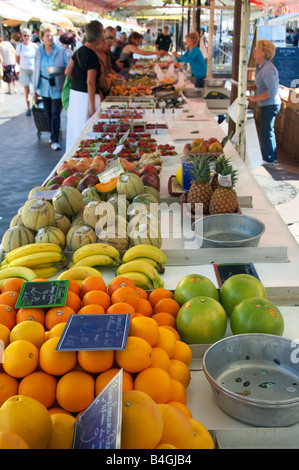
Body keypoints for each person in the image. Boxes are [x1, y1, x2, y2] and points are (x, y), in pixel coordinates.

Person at [65, 20, 104, 152]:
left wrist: (78, 81)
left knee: (75, 128)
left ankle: (73, 155)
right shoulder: (92, 55)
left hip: (75, 95)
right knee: (87, 129)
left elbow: (67, 72)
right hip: (86, 97)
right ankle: (84, 156)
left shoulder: (78, 51)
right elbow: (90, 82)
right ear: (98, 38)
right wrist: (92, 107)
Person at [34, 23, 69, 151]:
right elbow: (36, 69)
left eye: (52, 35)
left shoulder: (60, 50)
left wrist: (60, 71)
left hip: (57, 84)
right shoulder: (38, 51)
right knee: (48, 113)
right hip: (44, 85)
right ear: (42, 37)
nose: (50, 38)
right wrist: (34, 88)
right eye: (48, 36)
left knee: (55, 113)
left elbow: (67, 66)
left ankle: (54, 139)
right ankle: (54, 132)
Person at [247, 40, 281, 165]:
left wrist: (255, 99)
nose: (254, 50)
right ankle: (268, 155)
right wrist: (249, 87)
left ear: (264, 53)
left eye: (257, 48)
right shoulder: (260, 66)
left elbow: (272, 91)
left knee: (266, 130)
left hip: (271, 104)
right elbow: (261, 85)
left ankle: (269, 158)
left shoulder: (267, 69)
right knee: (265, 129)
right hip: (267, 104)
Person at [15, 28, 38, 116]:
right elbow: (17, 59)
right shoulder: (19, 46)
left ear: (31, 36)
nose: (26, 37)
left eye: (28, 35)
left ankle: (35, 105)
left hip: (33, 69)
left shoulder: (34, 46)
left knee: (35, 89)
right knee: (26, 89)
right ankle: (28, 108)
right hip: (24, 70)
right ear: (22, 36)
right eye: (25, 35)